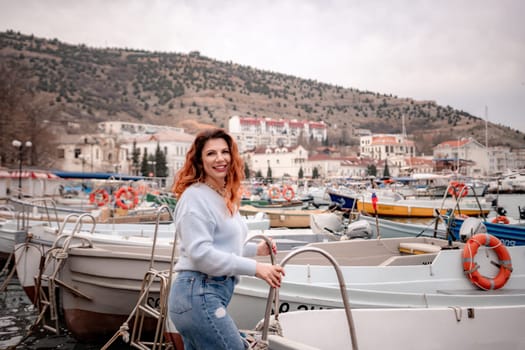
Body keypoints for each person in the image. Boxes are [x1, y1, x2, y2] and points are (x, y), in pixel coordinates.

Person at [168, 128, 285, 350]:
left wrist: (255, 250)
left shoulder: (222, 196)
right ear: (200, 161)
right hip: (198, 292)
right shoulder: (195, 197)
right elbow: (201, 255)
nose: (220, 158)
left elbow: (222, 246)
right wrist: (256, 268)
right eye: (211, 153)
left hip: (203, 295)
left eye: (225, 151)